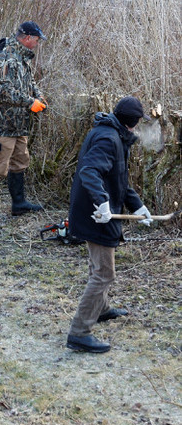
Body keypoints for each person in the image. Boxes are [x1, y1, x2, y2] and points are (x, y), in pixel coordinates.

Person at [66, 97, 153, 354]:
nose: (138, 128)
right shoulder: (108, 139)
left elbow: (119, 179)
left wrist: (137, 206)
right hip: (96, 213)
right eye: (138, 123)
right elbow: (89, 172)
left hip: (98, 210)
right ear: (131, 123)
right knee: (104, 273)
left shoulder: (114, 134)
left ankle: (100, 309)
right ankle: (79, 332)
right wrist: (102, 203)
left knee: (98, 266)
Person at [0, 21, 47, 228]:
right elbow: (1, 90)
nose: (37, 43)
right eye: (36, 39)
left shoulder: (23, 57)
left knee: (20, 160)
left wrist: (38, 96)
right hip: (1, 123)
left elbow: (29, 82)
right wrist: (29, 102)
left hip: (19, 122)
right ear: (26, 38)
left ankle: (19, 203)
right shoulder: (3, 56)